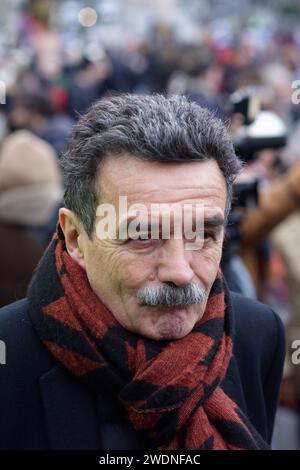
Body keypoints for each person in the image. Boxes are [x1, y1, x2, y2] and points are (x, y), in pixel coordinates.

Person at [0, 94, 284, 450]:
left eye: (204, 235)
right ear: (75, 237)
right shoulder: (9, 355)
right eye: (144, 236)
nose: (180, 272)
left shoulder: (258, 335)